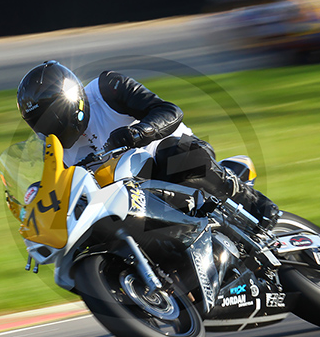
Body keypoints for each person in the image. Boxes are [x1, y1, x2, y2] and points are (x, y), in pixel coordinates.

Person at [16, 60, 279, 229]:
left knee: (174, 155)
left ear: (72, 102)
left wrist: (140, 132)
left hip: (171, 158)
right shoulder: (54, 148)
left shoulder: (107, 88)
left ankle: (253, 202)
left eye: (53, 118)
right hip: (131, 197)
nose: (50, 128)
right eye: (40, 123)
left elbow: (170, 111)